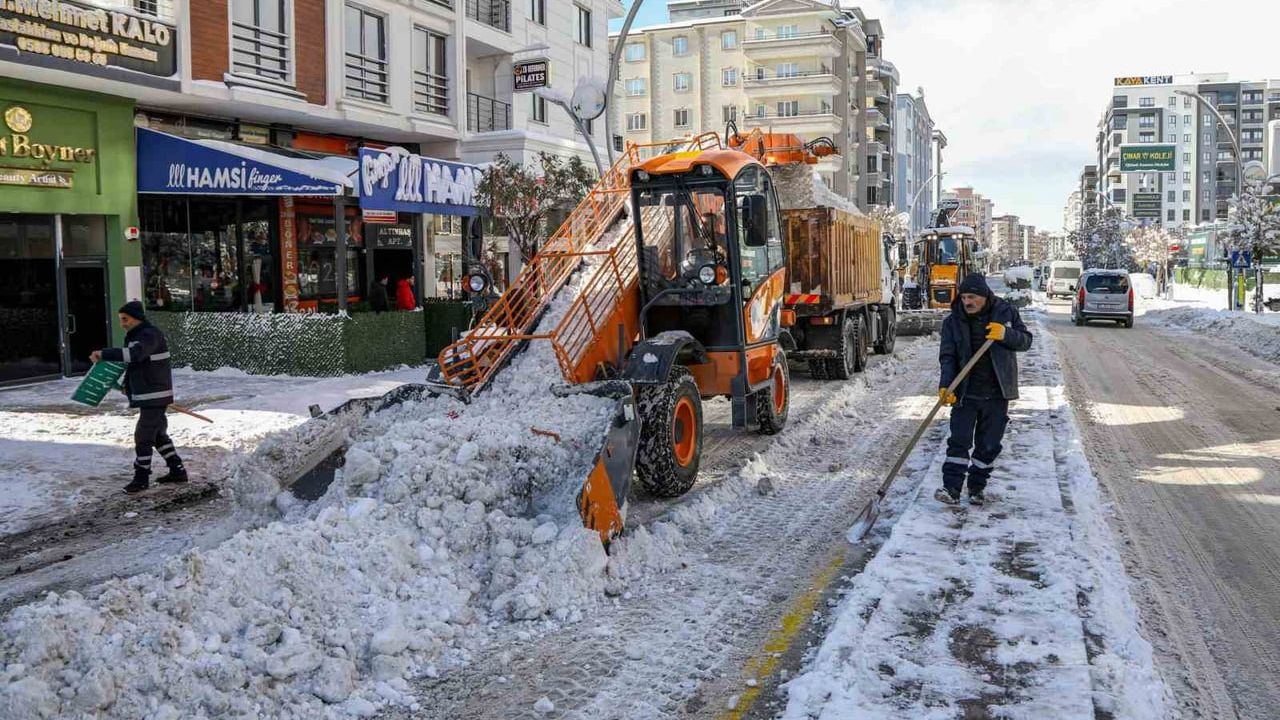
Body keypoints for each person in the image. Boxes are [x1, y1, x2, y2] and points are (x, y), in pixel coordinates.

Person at [935, 274, 1032, 506]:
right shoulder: (953, 322)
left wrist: (1005, 334)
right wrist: (946, 385)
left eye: (972, 297)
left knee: (988, 445)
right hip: (966, 391)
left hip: (997, 392)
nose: (967, 302)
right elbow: (947, 357)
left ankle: (977, 487)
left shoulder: (1005, 313)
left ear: (984, 296)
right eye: (964, 297)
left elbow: (1026, 341)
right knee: (959, 441)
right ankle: (951, 489)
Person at [90, 301, 187, 494]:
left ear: (137, 318)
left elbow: (135, 355)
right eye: (120, 320)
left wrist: (105, 354)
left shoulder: (149, 335)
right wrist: (128, 386)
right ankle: (177, 470)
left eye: (125, 319)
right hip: (150, 394)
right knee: (158, 435)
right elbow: (136, 366)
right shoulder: (136, 335)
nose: (122, 323)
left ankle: (141, 478)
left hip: (155, 395)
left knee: (143, 436)